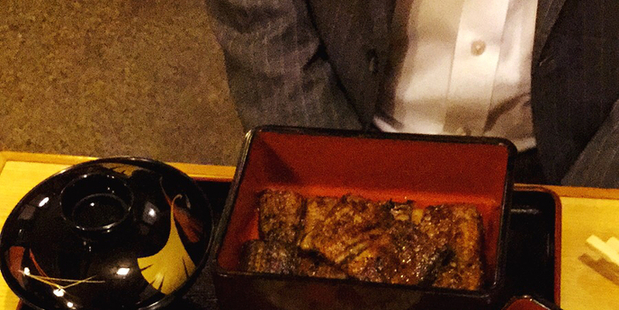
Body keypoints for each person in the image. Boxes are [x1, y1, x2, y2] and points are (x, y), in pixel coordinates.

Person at [205, 0, 619, 188]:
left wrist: (585, 204)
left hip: (567, 163)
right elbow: (262, 18)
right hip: (344, 122)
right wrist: (329, 174)